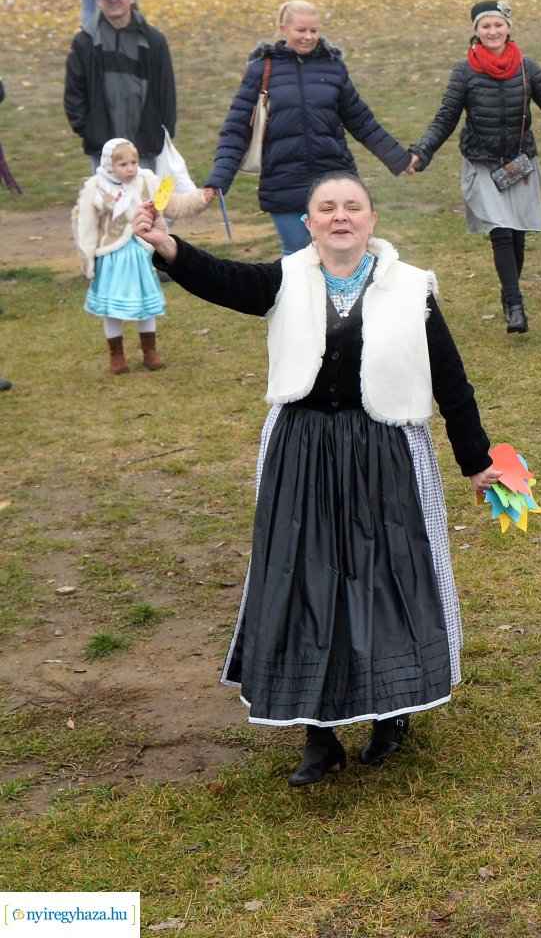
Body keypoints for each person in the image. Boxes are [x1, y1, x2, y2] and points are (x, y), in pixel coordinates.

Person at [134, 173, 500, 787]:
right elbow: (223, 280)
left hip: (385, 452)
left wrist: (477, 459)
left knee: (387, 580)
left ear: (371, 220)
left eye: (352, 207)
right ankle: (318, 735)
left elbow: (450, 379)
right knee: (304, 583)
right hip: (301, 453)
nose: (339, 216)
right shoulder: (285, 279)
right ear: (309, 224)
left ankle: (392, 714)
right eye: (326, 208)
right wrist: (169, 246)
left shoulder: (413, 288)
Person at [406, 0, 541, 333]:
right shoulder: (464, 71)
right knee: (500, 229)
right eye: (485, 26)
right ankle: (515, 304)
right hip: (482, 163)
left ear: (509, 27)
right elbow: (445, 119)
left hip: (518, 164)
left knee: (516, 234)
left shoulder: (527, 68)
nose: (492, 31)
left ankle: (508, 293)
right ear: (476, 31)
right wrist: (422, 152)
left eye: (498, 24)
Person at [203, 0, 414, 255]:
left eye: (314, 30)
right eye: (301, 30)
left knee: (340, 253)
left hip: (334, 180)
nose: (308, 37)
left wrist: (399, 159)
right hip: (283, 181)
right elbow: (236, 129)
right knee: (295, 257)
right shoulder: (262, 70)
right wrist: (218, 180)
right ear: (283, 29)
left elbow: (362, 121)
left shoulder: (333, 68)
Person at [73, 138, 205, 373]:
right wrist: (88, 262)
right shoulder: (96, 188)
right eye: (123, 164)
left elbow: (172, 204)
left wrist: (201, 198)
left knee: (146, 305)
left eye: (133, 162)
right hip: (111, 258)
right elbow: (86, 226)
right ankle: (116, 355)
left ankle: (150, 350)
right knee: (112, 309)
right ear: (109, 165)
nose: (130, 168)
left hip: (141, 254)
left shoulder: (146, 181)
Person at [64, 0, 177, 170]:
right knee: (105, 192)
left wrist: (163, 133)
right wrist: (87, 130)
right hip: (102, 148)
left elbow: (166, 91)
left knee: (146, 191)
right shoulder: (85, 42)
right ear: (99, 1)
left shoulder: (153, 40)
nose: (113, 0)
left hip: (144, 146)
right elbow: (74, 91)